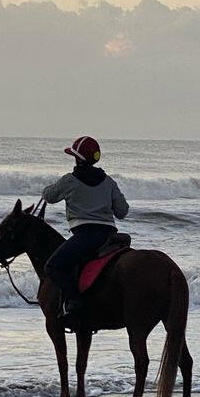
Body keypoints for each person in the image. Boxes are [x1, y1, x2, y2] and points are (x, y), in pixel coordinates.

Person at [40, 135, 129, 330]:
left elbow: (49, 196)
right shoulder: (109, 181)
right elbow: (123, 211)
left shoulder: (69, 181)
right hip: (109, 237)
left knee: (53, 266)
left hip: (86, 235)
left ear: (77, 159)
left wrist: (47, 188)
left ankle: (75, 302)